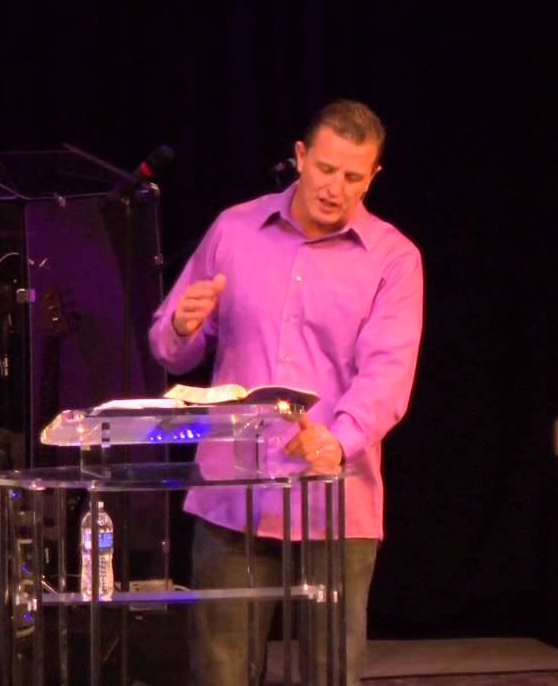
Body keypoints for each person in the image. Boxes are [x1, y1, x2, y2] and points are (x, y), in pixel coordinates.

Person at [148, 99, 423, 685]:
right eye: (326, 168)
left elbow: (389, 371)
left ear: (372, 177)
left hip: (335, 499)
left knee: (330, 672)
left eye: (353, 177)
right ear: (300, 157)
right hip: (233, 497)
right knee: (220, 672)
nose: (335, 188)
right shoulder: (234, 229)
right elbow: (172, 349)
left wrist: (339, 440)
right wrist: (181, 326)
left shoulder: (394, 258)